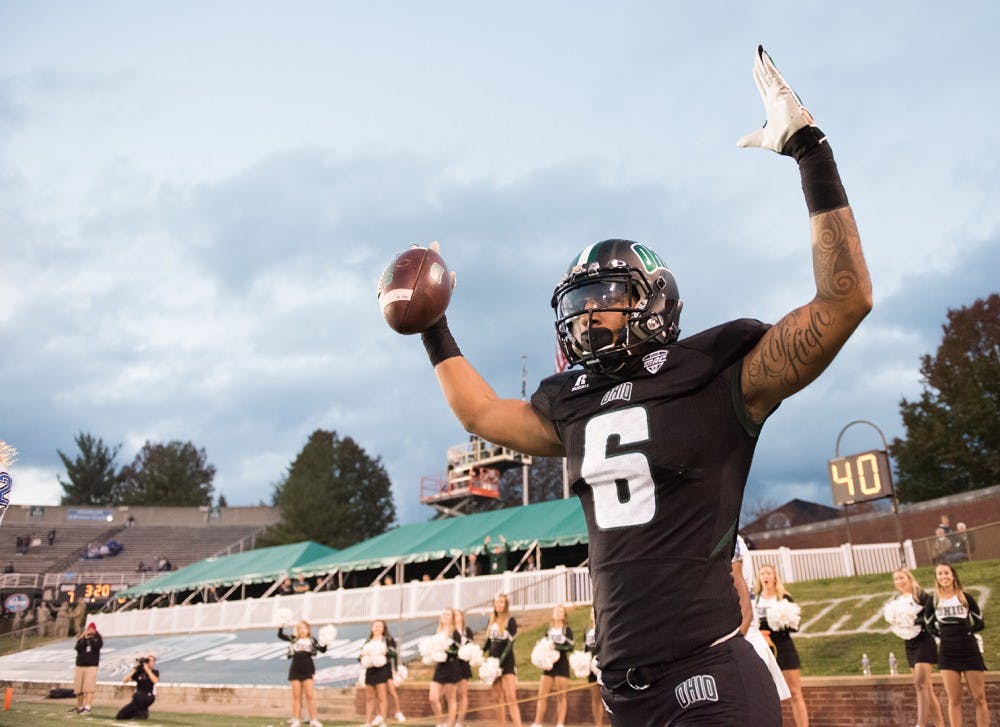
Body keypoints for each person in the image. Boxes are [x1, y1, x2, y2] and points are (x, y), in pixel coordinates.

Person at [409, 45, 870, 727]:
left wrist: (810, 150)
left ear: (654, 302)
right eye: (579, 304)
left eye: (607, 299)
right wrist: (432, 323)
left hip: (707, 675)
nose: (589, 316)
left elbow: (844, 302)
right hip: (626, 691)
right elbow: (479, 412)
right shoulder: (575, 404)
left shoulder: (716, 374)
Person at [929, 563, 990, 727]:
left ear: (953, 575)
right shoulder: (933, 601)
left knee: (979, 697)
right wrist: (940, 635)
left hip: (969, 649)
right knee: (954, 700)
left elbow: (980, 623)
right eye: (940, 574)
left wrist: (967, 632)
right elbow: (928, 625)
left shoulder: (966, 598)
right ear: (937, 578)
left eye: (946, 573)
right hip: (948, 652)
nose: (944, 576)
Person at [732, 536, 791, 704]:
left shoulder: (731, 540)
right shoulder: (735, 539)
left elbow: (740, 591)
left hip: (743, 629)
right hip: (747, 632)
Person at [889, 568, 945, 727]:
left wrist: (912, 620)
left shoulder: (920, 595)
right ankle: (940, 724)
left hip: (924, 640)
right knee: (926, 687)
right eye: (896, 579)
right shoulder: (896, 599)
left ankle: (920, 724)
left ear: (909, 578)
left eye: (902, 578)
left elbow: (930, 615)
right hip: (910, 643)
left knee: (920, 684)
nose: (899, 581)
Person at [755, 564, 808, 726]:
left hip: (784, 648)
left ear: (774, 577)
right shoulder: (754, 599)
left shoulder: (784, 597)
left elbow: (795, 627)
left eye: (768, 573)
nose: (765, 576)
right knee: (768, 696)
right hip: (763, 649)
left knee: (795, 693)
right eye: (762, 573)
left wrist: (781, 622)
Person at [277, 619, 327, 727]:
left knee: (310, 695)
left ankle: (313, 720)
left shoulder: (312, 640)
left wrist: (326, 641)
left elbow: (322, 649)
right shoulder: (294, 639)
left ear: (308, 630)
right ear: (297, 630)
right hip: (295, 668)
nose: (302, 630)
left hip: (308, 668)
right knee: (296, 696)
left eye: (304, 628)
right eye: (300, 628)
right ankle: (296, 720)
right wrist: (281, 626)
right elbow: (280, 636)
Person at [530, 604, 574, 727]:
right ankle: (537, 723)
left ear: (564, 616)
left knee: (561, 696)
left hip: (561, 663)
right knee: (542, 694)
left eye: (561, 611)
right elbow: (543, 644)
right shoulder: (548, 629)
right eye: (556, 610)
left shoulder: (566, 629)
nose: (558, 613)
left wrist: (556, 646)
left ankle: (560, 723)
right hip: (549, 664)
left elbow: (570, 646)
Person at [483, 593, 522, 727]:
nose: (499, 604)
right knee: (497, 698)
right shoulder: (491, 620)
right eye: (497, 602)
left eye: (502, 602)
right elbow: (489, 643)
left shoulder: (510, 621)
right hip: (493, 662)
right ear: (494, 604)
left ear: (506, 605)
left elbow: (510, 644)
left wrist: (499, 663)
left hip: (507, 662)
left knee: (511, 697)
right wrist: (480, 654)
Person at [360, 619, 397, 727]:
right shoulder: (368, 641)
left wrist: (384, 652)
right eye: (375, 626)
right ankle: (367, 722)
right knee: (370, 697)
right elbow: (361, 654)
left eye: (380, 626)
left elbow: (393, 653)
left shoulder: (387, 640)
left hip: (382, 669)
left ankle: (383, 721)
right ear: (372, 628)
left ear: (383, 628)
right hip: (370, 669)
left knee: (382, 696)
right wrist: (364, 656)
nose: (377, 628)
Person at [429, 609, 460, 727]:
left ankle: (450, 724)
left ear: (452, 618)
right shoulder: (437, 631)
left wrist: (447, 651)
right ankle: (439, 723)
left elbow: (458, 650)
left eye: (448, 614)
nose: (445, 616)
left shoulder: (455, 632)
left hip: (451, 666)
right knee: (433, 698)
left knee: (451, 699)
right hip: (440, 667)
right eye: (444, 614)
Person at [116, 653, 160, 720]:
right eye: (148, 661)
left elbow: (155, 681)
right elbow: (125, 680)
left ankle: (141, 713)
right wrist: (135, 668)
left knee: (137, 696)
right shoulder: (139, 672)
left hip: (148, 695)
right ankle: (141, 713)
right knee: (120, 716)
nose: (149, 662)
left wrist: (147, 669)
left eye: (151, 661)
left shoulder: (155, 672)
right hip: (138, 698)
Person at [72, 622, 102, 714]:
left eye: (92, 629)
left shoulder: (98, 639)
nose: (90, 631)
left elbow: (97, 647)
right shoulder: (82, 639)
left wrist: (91, 639)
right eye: (89, 629)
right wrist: (84, 638)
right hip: (80, 666)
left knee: (89, 688)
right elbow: (77, 648)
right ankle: (80, 707)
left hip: (91, 667)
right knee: (78, 688)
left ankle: (87, 708)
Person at [452, 609, 474, 727]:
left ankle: (460, 722)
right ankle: (451, 718)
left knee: (462, 693)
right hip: (451, 664)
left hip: (463, 665)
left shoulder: (467, 631)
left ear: (462, 616)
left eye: (457, 615)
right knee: (451, 694)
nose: (455, 617)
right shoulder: (450, 631)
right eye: (453, 615)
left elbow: (472, 647)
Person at [583, 609, 605, 727]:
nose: (593, 614)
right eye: (591, 612)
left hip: (601, 666)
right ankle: (598, 724)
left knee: (606, 696)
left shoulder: (603, 627)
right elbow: (585, 649)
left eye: (594, 612)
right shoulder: (587, 631)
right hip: (591, 669)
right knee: (595, 698)